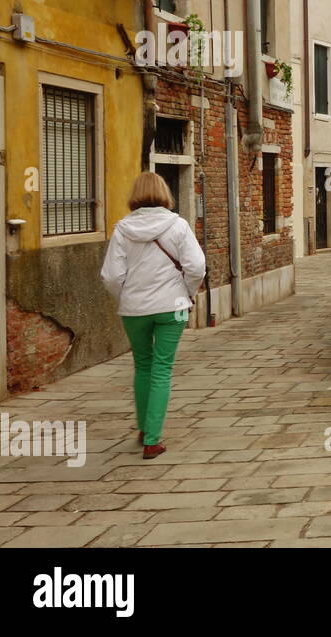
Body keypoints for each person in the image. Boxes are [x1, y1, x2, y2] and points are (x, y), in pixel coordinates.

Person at [100, 172, 206, 459]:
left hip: (134, 309)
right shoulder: (178, 225)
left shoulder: (122, 228)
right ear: (164, 193)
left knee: (142, 365)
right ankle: (153, 439)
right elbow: (196, 266)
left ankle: (145, 428)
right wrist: (188, 292)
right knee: (162, 368)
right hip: (173, 307)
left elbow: (111, 275)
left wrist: (125, 298)